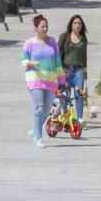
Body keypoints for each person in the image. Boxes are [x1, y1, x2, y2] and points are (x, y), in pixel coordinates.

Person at [21, 14, 64, 149]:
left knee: (46, 111)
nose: (45, 29)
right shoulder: (29, 43)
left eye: (46, 26)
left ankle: (35, 130)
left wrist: (62, 80)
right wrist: (30, 63)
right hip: (35, 80)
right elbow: (23, 60)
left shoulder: (52, 42)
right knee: (38, 108)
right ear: (36, 28)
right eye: (42, 26)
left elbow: (57, 62)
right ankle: (39, 139)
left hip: (50, 80)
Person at [58, 14, 88, 123]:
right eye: (75, 23)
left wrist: (85, 71)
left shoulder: (83, 39)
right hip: (66, 69)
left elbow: (84, 56)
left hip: (79, 70)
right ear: (71, 25)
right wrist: (60, 69)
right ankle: (66, 117)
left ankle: (79, 118)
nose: (77, 25)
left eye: (79, 23)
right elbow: (57, 53)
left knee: (79, 94)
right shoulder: (64, 36)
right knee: (66, 95)